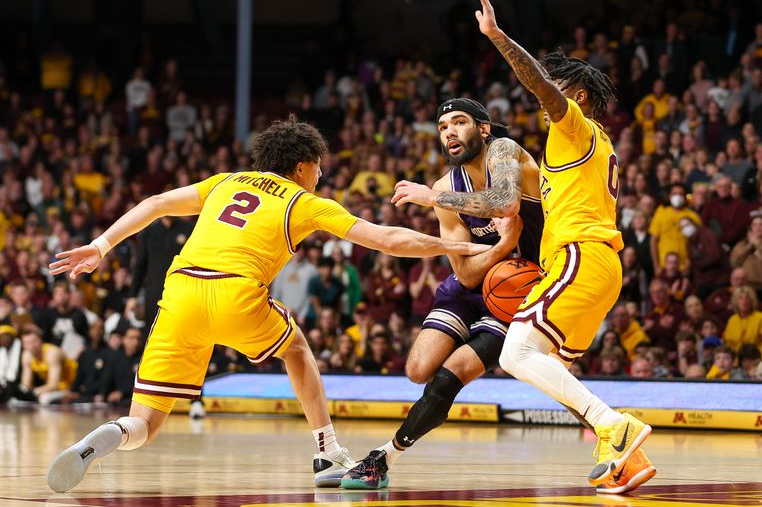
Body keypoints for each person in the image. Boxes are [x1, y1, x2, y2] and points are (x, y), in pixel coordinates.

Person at [45, 117, 490, 493]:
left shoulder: (226, 181)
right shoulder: (305, 201)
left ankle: (117, 433)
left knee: (146, 424)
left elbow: (157, 203)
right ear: (302, 167)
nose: (321, 176)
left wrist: (101, 246)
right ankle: (327, 454)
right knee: (296, 349)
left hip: (179, 294)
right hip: (235, 290)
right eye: (319, 167)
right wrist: (460, 249)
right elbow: (389, 239)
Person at [478, 0, 654, 492]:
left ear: (576, 96)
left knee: (515, 356)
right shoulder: (593, 145)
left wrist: (497, 36)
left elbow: (538, 83)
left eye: (557, 86)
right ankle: (627, 458)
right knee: (551, 368)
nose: (545, 91)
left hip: (582, 255)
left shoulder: (575, 128)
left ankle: (616, 426)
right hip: (594, 265)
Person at [343, 96, 541, 490]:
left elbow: (505, 201)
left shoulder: (504, 151)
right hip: (478, 284)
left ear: (482, 128)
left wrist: (433, 199)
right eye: (443, 126)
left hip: (520, 289)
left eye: (460, 122)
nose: (450, 131)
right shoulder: (446, 187)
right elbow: (466, 275)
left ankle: (383, 458)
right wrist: (501, 248)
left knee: (450, 377)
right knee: (417, 370)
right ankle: (441, 398)